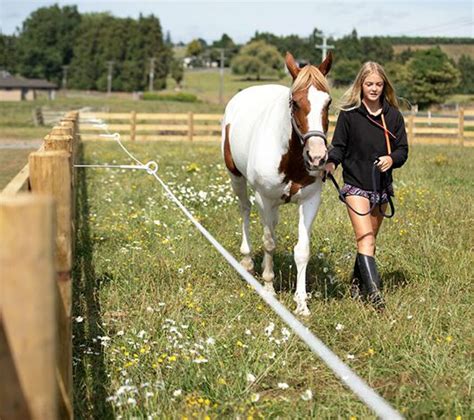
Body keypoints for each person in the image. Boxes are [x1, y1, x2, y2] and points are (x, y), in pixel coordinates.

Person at [324, 62, 408, 310]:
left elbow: (403, 151)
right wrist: (331, 163)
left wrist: (391, 159)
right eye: (369, 84)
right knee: (366, 237)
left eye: (378, 84)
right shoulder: (350, 114)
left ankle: (355, 285)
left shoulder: (393, 116)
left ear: (385, 86)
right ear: (361, 85)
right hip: (355, 185)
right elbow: (338, 146)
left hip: (381, 187)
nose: (374, 89)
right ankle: (375, 296)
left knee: (368, 242)